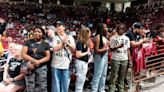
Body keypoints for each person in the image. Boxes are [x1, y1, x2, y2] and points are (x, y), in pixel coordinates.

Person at [21, 26, 50, 92]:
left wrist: (38, 62)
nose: (37, 33)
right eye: (35, 32)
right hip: (29, 66)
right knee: (30, 87)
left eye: (39, 32)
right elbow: (23, 54)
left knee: (43, 87)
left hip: (42, 67)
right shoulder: (28, 42)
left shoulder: (46, 44)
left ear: (42, 34)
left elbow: (48, 57)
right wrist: (34, 61)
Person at [51, 21, 76, 92]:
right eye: (57, 26)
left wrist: (67, 43)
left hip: (66, 64)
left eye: (60, 25)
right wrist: (62, 43)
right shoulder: (55, 38)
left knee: (65, 84)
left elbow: (74, 49)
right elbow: (54, 48)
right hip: (56, 64)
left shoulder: (70, 37)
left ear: (64, 27)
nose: (58, 27)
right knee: (56, 84)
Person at [109, 23, 131, 92]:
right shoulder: (113, 38)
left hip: (124, 58)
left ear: (124, 30)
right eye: (120, 29)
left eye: (123, 29)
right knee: (114, 75)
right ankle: (112, 88)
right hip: (115, 58)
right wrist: (118, 47)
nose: (121, 30)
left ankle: (120, 88)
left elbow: (128, 50)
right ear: (117, 29)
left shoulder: (127, 38)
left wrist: (130, 60)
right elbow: (111, 49)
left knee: (122, 75)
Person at [91, 23, 109, 92]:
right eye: (105, 27)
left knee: (104, 74)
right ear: (101, 29)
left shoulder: (104, 37)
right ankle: (94, 90)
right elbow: (97, 50)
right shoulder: (98, 37)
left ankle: (101, 89)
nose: (107, 29)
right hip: (99, 56)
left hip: (105, 56)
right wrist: (105, 49)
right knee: (98, 74)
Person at [75, 27, 91, 92]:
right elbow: (78, 55)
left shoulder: (84, 42)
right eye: (89, 33)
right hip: (80, 63)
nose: (90, 35)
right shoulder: (80, 42)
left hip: (84, 62)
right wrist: (87, 52)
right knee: (80, 80)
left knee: (82, 80)